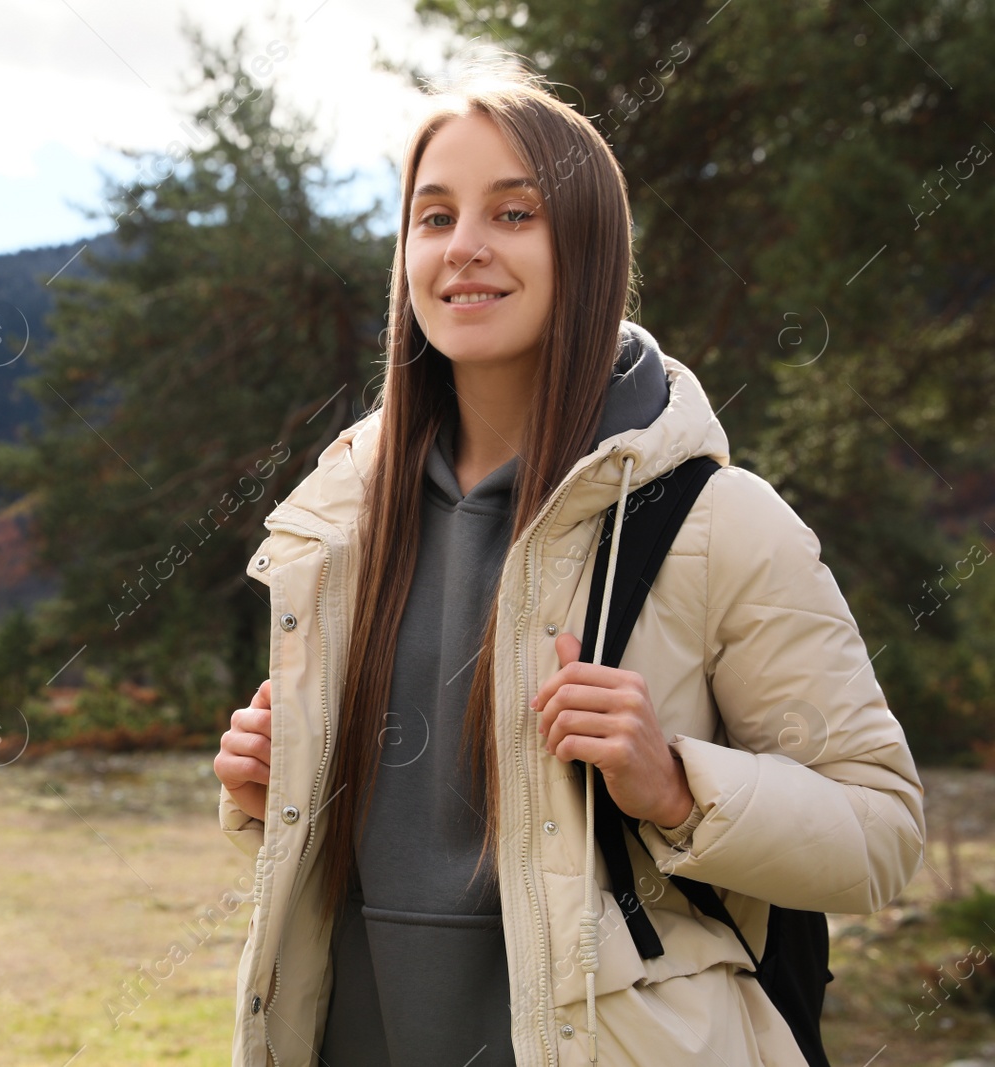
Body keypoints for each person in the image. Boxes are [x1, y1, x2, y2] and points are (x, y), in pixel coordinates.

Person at [212, 56, 926, 1067]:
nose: (463, 247)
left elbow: (880, 832)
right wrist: (265, 788)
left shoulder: (718, 519)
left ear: (588, 248)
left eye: (514, 214)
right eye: (434, 215)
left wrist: (677, 783)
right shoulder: (339, 530)